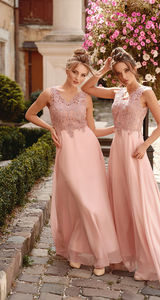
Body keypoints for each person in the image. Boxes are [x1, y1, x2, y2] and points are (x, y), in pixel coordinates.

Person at [82, 47, 160, 284]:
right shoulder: (118, 91)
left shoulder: (146, 92)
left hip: (134, 151)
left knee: (139, 203)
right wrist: (102, 70)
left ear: (134, 68)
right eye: (118, 73)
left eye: (126, 70)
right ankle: (123, 256)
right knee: (119, 200)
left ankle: (146, 259)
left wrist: (145, 145)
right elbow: (87, 88)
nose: (123, 76)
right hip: (117, 150)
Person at [25, 48, 122, 276]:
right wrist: (50, 128)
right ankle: (84, 251)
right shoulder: (50, 94)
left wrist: (118, 129)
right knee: (80, 201)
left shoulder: (85, 98)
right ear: (68, 70)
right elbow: (30, 114)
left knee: (92, 204)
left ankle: (87, 253)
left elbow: (93, 130)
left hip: (88, 151)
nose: (78, 78)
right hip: (67, 152)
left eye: (82, 75)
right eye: (75, 73)